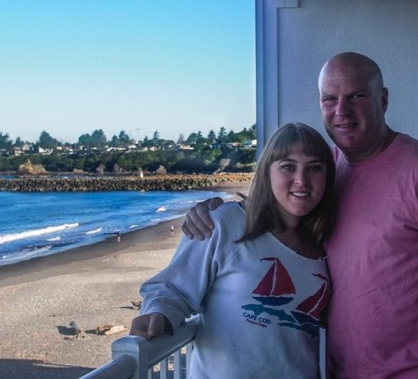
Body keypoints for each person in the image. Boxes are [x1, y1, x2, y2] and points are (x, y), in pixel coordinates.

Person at [183, 52, 418, 378]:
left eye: (357, 96)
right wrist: (219, 212)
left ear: (382, 100)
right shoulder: (329, 167)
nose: (342, 111)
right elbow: (288, 205)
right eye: (330, 99)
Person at [130, 122, 335, 378]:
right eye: (288, 166)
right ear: (267, 173)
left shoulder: (326, 245)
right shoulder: (223, 222)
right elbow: (172, 289)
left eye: (315, 168)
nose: (301, 180)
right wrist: (158, 313)